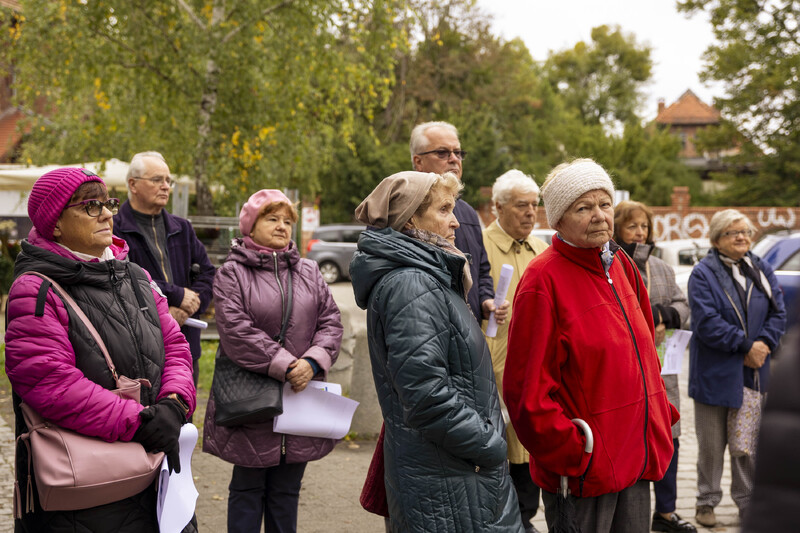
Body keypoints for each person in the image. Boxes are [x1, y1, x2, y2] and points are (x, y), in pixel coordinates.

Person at [6, 167, 196, 532]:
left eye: (107, 203)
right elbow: (51, 384)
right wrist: (141, 422)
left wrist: (174, 404)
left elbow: (175, 346)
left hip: (159, 477)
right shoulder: (35, 289)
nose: (109, 213)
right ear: (56, 223)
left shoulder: (136, 277)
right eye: (91, 207)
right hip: (86, 492)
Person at [504, 158, 678, 533]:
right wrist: (574, 451)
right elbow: (524, 393)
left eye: (604, 204)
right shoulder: (542, 280)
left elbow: (645, 351)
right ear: (558, 220)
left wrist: (658, 415)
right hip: (585, 471)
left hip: (635, 457)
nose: (600, 216)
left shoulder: (620, 265)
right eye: (584, 208)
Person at [350, 171, 523, 532]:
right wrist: (489, 444)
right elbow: (425, 393)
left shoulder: (426, 275)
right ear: (411, 218)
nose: (456, 220)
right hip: (448, 478)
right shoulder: (411, 283)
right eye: (444, 209)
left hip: (453, 471)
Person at [202, 189, 343, 533]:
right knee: (248, 489)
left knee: (287, 491)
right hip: (250, 400)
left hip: (301, 395)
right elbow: (236, 331)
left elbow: (331, 322)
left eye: (287, 221)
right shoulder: (231, 274)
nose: (282, 226)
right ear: (250, 225)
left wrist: (313, 361)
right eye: (272, 218)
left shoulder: (310, 272)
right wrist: (286, 364)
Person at [688, 209, 786, 527]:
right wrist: (746, 345)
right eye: (734, 233)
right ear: (717, 240)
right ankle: (706, 502)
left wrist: (763, 345)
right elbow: (706, 323)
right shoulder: (703, 273)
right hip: (716, 373)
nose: (742, 237)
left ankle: (747, 503)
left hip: (753, 372)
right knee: (712, 447)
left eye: (745, 231)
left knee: (746, 445)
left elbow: (778, 312)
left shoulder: (760, 267)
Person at [613, 200, 696, 533]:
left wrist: (663, 315)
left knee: (669, 437)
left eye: (644, 226)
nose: (640, 232)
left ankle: (665, 512)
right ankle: (630, 510)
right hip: (627, 371)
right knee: (634, 440)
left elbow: (682, 303)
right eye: (633, 226)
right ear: (618, 228)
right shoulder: (612, 264)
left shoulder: (660, 267)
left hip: (664, 366)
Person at [113, 151, 215, 386]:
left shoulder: (182, 228)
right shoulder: (115, 229)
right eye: (157, 180)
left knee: (184, 418)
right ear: (133, 184)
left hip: (185, 346)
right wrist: (176, 296)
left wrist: (189, 306)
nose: (166, 186)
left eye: (169, 180)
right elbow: (125, 277)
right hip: (140, 349)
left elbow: (208, 273)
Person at [482, 169, 548, 533]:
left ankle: (525, 520)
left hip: (534, 369)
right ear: (498, 208)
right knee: (499, 451)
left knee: (530, 448)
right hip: (493, 367)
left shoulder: (541, 248)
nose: (530, 213)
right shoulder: (480, 245)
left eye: (534, 205)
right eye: (522, 205)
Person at [410, 121, 508, 325]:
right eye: (443, 153)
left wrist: (485, 301)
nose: (454, 159)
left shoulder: (468, 214)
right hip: (424, 330)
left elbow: (481, 269)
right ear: (418, 162)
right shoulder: (401, 210)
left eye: (458, 152)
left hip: (470, 335)